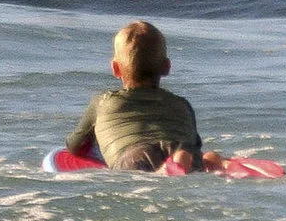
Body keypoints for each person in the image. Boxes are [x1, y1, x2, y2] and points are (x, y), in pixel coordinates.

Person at [64, 19, 224, 173]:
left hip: (134, 156)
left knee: (144, 173)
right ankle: (212, 162)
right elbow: (195, 144)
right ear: (167, 67)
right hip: (182, 150)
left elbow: (75, 146)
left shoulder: (103, 102)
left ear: (115, 68)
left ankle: (166, 171)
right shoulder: (182, 105)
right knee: (199, 160)